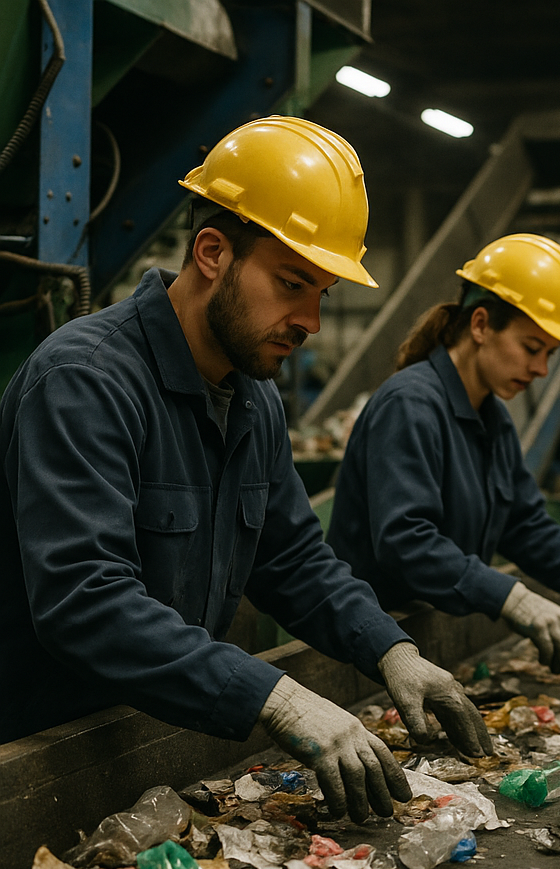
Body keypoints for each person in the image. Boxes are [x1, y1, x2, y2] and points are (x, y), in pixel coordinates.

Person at [0, 116, 491, 824]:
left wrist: (391, 650)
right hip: (35, 760)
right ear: (211, 253)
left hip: (152, 745)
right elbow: (86, 599)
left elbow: (293, 560)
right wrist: (276, 696)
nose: (312, 320)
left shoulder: (253, 399)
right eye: (293, 283)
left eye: (321, 292)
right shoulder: (84, 382)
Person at [326, 233, 560, 676]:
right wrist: (513, 598)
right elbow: (407, 543)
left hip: (428, 641)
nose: (541, 370)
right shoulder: (411, 405)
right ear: (480, 325)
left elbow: (526, 525)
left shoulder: (493, 418)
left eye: (549, 354)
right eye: (532, 348)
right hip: (371, 652)